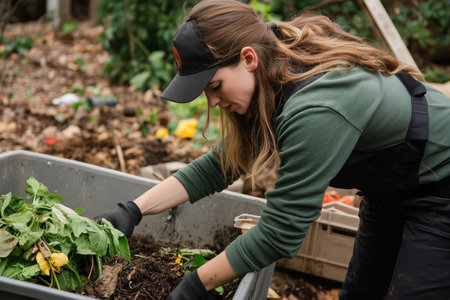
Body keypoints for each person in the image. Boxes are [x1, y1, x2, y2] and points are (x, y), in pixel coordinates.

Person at [96, 0, 450, 299]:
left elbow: (281, 231)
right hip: (390, 192)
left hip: (441, 187)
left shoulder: (315, 108)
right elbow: (221, 166)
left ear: (248, 57)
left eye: (215, 85)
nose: (213, 101)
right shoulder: (273, 77)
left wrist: (194, 286)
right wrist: (132, 211)